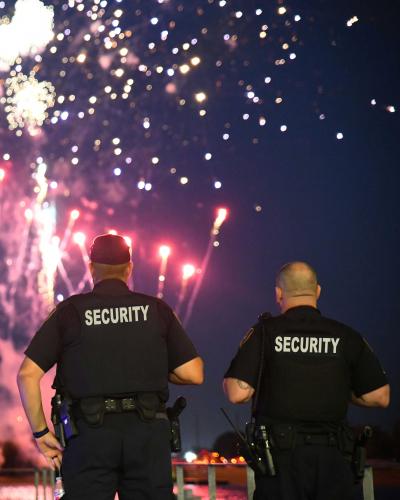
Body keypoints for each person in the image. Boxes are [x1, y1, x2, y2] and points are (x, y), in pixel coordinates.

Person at [17, 233, 204, 500]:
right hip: (148, 435)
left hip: (89, 437)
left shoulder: (70, 311)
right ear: (130, 268)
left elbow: (27, 375)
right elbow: (194, 373)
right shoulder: (157, 310)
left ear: (91, 268)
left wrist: (41, 432)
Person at [223, 261, 389, 500]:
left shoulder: (264, 332)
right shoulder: (347, 335)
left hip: (280, 463)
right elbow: (380, 396)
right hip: (335, 460)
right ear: (318, 291)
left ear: (279, 293)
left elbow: (237, 393)